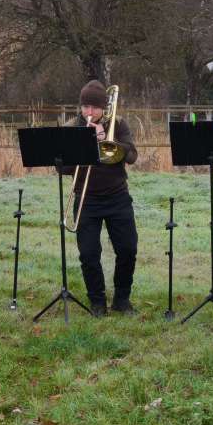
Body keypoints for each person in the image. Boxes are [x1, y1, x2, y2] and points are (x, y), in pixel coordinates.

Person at [56, 80, 137, 316]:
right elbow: (63, 168)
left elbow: (131, 155)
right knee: (89, 254)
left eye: (93, 107)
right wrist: (83, 144)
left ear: (104, 107)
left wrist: (108, 141)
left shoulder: (118, 124)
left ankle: (122, 300)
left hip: (117, 197)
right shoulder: (72, 126)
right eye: (85, 107)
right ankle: (97, 302)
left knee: (128, 249)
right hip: (85, 199)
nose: (88, 112)